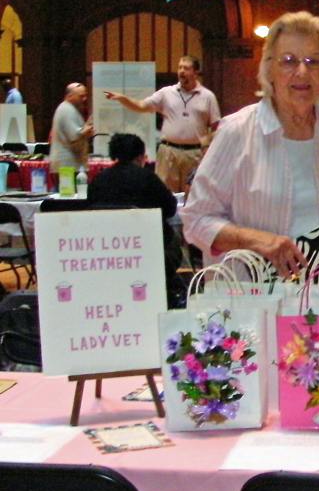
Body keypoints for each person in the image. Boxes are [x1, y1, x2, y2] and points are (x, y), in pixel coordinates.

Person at [181, 11, 319, 277]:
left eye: (313, 61)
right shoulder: (237, 131)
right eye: (288, 61)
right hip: (251, 294)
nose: (302, 72)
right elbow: (196, 220)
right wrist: (255, 240)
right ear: (269, 70)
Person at [87, 133, 182, 305]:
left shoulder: (99, 180)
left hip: (107, 250)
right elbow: (170, 208)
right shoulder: (147, 177)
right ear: (140, 157)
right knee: (172, 238)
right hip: (149, 249)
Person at [105, 56, 221, 193]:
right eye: (180, 67)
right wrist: (123, 99)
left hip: (194, 153)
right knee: (164, 192)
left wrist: (209, 149)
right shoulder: (166, 93)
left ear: (196, 73)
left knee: (193, 193)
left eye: (186, 68)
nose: (181, 71)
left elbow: (216, 127)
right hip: (168, 151)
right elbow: (141, 106)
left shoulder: (208, 96)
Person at [49, 83, 94, 173]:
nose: (84, 99)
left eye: (85, 96)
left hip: (70, 164)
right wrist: (87, 129)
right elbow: (74, 136)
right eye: (81, 96)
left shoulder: (70, 109)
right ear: (70, 96)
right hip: (67, 165)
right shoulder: (66, 109)